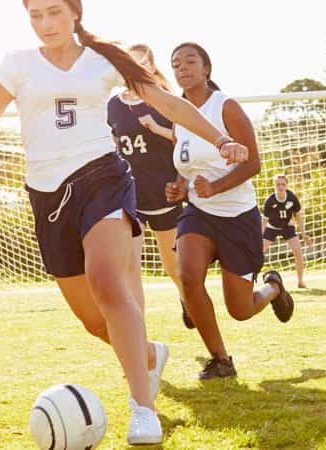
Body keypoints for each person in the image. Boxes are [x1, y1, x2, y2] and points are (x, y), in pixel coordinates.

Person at [0, 1, 248, 445]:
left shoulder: (105, 59)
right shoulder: (15, 65)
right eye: (35, 14)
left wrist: (221, 138)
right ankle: (149, 355)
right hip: (47, 196)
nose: (45, 23)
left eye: (54, 11)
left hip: (101, 179)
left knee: (109, 282)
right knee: (95, 321)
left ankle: (142, 410)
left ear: (74, 12)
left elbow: (166, 102)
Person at [164, 42, 294, 380]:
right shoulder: (178, 116)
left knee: (241, 309)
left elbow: (253, 163)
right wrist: (179, 185)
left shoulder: (226, 108)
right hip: (199, 214)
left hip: (237, 216)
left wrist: (217, 186)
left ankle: (273, 287)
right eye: (176, 64)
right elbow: (186, 163)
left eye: (190, 61)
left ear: (206, 68)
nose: (182, 68)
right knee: (189, 277)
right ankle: (221, 360)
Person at [106, 43, 194, 330]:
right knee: (130, 266)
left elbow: (185, 139)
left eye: (140, 63)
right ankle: (137, 333)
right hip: (128, 193)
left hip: (163, 191)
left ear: (150, 67)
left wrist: (157, 129)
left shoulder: (163, 99)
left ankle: (187, 299)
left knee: (173, 266)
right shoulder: (113, 105)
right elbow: (111, 141)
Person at [262, 174, 313, 288]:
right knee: (259, 253)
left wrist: (304, 234)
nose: (280, 187)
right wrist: (259, 236)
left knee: (298, 253)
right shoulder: (270, 200)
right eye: (278, 184)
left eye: (283, 184)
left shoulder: (292, 198)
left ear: (287, 185)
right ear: (274, 185)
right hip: (272, 227)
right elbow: (264, 221)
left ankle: (300, 281)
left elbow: (298, 217)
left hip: (287, 227)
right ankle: (251, 280)